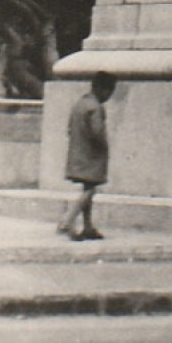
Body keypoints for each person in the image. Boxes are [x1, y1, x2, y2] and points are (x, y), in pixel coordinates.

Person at [57, 71, 117, 241]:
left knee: (87, 189)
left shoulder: (79, 104)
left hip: (78, 152)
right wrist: (104, 147)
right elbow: (97, 132)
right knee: (90, 191)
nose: (109, 95)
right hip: (92, 156)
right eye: (109, 91)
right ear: (102, 89)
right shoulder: (95, 108)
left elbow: (70, 128)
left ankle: (88, 226)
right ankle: (68, 220)